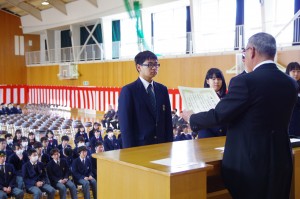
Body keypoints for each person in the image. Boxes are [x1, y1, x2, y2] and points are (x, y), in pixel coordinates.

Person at [182, 32, 298, 199]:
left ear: (251, 51)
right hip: (281, 159)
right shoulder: (290, 83)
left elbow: (220, 115)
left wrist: (192, 118)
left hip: (250, 165)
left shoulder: (245, 81)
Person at [118, 50, 173, 148]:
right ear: (139, 67)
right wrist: (129, 152)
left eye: (156, 64)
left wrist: (169, 145)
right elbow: (125, 126)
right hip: (140, 147)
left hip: (161, 146)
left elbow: (168, 121)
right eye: (150, 65)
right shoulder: (129, 91)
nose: (154, 68)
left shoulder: (162, 89)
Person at [197, 68, 227, 138]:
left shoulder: (227, 97)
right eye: (213, 79)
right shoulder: (200, 98)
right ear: (207, 81)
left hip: (223, 135)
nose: (216, 81)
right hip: (205, 134)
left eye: (219, 79)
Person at [286, 62, 300, 136]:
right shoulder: (284, 85)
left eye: (298, 71)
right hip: (288, 120)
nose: (296, 74)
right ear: (288, 72)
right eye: (293, 71)